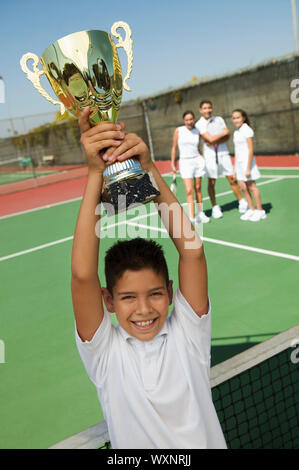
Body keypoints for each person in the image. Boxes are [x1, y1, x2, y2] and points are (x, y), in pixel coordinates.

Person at [71, 107, 227, 449]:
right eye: (128, 297)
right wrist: (95, 173)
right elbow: (83, 276)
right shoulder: (105, 354)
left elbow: (192, 253)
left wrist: (149, 170)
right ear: (108, 301)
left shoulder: (189, 334)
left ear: (171, 293)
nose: (144, 309)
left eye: (155, 293)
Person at [195, 100, 248, 218]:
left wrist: (215, 139)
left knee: (232, 179)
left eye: (209, 108)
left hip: (223, 153)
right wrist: (220, 136)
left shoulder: (219, 120)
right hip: (209, 156)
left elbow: (227, 135)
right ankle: (215, 207)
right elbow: (210, 138)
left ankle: (242, 202)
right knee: (211, 182)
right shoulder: (199, 124)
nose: (207, 110)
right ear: (200, 110)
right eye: (205, 108)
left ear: (212, 109)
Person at [171, 110, 209, 224]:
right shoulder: (179, 130)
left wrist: (202, 158)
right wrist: (173, 163)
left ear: (194, 119)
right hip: (185, 163)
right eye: (187, 120)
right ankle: (192, 217)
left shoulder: (197, 131)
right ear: (184, 120)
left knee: (198, 188)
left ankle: (200, 213)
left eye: (191, 119)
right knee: (189, 190)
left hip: (197, 161)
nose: (189, 122)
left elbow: (198, 147)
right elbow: (174, 147)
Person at [232, 109, 266, 222]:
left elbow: (250, 150)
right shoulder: (236, 132)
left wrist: (247, 168)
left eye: (238, 117)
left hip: (248, 163)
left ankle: (260, 211)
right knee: (243, 187)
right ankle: (251, 209)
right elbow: (237, 151)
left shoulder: (247, 130)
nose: (236, 120)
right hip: (239, 165)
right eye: (234, 118)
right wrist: (235, 169)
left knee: (252, 186)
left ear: (243, 118)